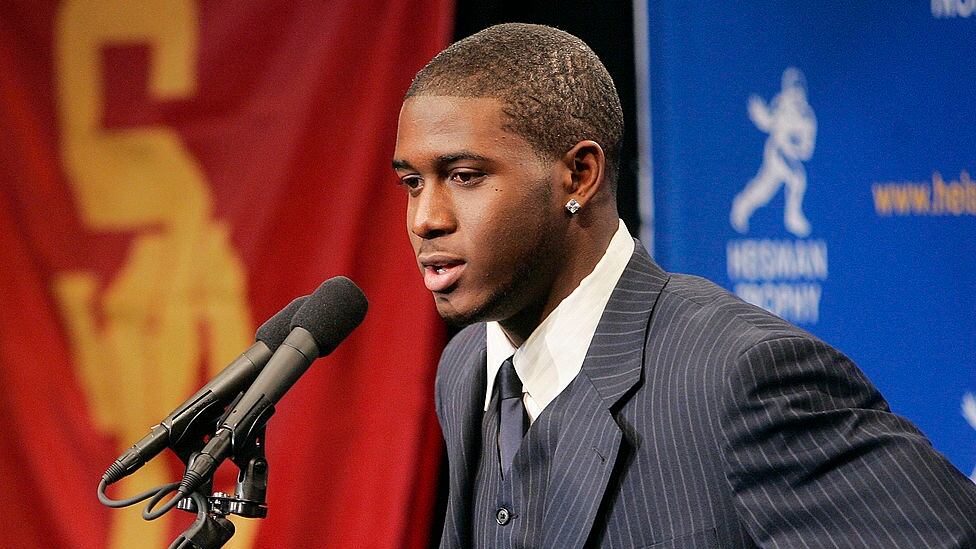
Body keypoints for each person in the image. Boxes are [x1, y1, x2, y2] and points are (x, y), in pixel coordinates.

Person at [392, 23, 976, 548]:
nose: (425, 219)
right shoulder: (468, 366)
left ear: (579, 175)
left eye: (463, 177)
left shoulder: (738, 376)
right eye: (413, 183)